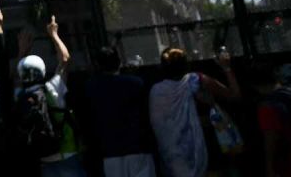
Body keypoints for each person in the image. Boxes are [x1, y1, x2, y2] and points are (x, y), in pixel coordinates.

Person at [148, 47, 238, 177]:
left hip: (174, 160)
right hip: (207, 147)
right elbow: (234, 95)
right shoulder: (197, 80)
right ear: (186, 64)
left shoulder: (156, 91)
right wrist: (227, 68)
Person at [14, 16, 84, 177]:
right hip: (66, 153)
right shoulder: (52, 88)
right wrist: (54, 34)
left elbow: (16, 78)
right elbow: (65, 60)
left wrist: (21, 50)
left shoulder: (19, 95)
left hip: (43, 158)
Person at [80, 46, 155, 177]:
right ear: (119, 62)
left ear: (97, 65)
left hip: (109, 152)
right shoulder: (136, 83)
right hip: (137, 148)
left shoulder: (91, 88)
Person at [255, 63, 291, 177]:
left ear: (257, 87)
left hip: (290, 161)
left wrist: (269, 167)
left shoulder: (267, 107)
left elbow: (270, 140)